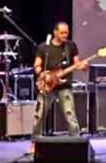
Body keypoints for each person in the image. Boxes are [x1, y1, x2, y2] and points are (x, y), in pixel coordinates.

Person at [29, 21, 88, 154]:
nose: (65, 35)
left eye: (66, 32)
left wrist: (83, 66)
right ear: (55, 32)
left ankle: (75, 143)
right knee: (39, 114)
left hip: (64, 86)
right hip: (47, 85)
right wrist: (42, 73)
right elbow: (37, 65)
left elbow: (77, 63)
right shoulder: (44, 48)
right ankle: (34, 143)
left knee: (70, 114)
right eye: (62, 33)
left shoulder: (70, 46)